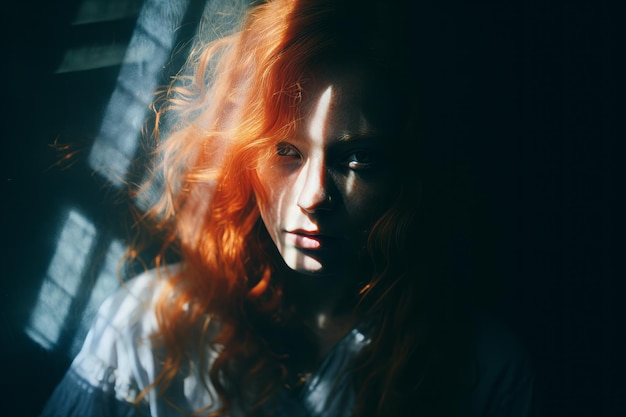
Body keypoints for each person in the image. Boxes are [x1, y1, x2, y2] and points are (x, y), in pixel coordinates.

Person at [40, 0, 536, 416]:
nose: (314, 196)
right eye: (284, 151)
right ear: (242, 158)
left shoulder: (481, 369)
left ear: (408, 172)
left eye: (358, 158)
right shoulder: (146, 324)